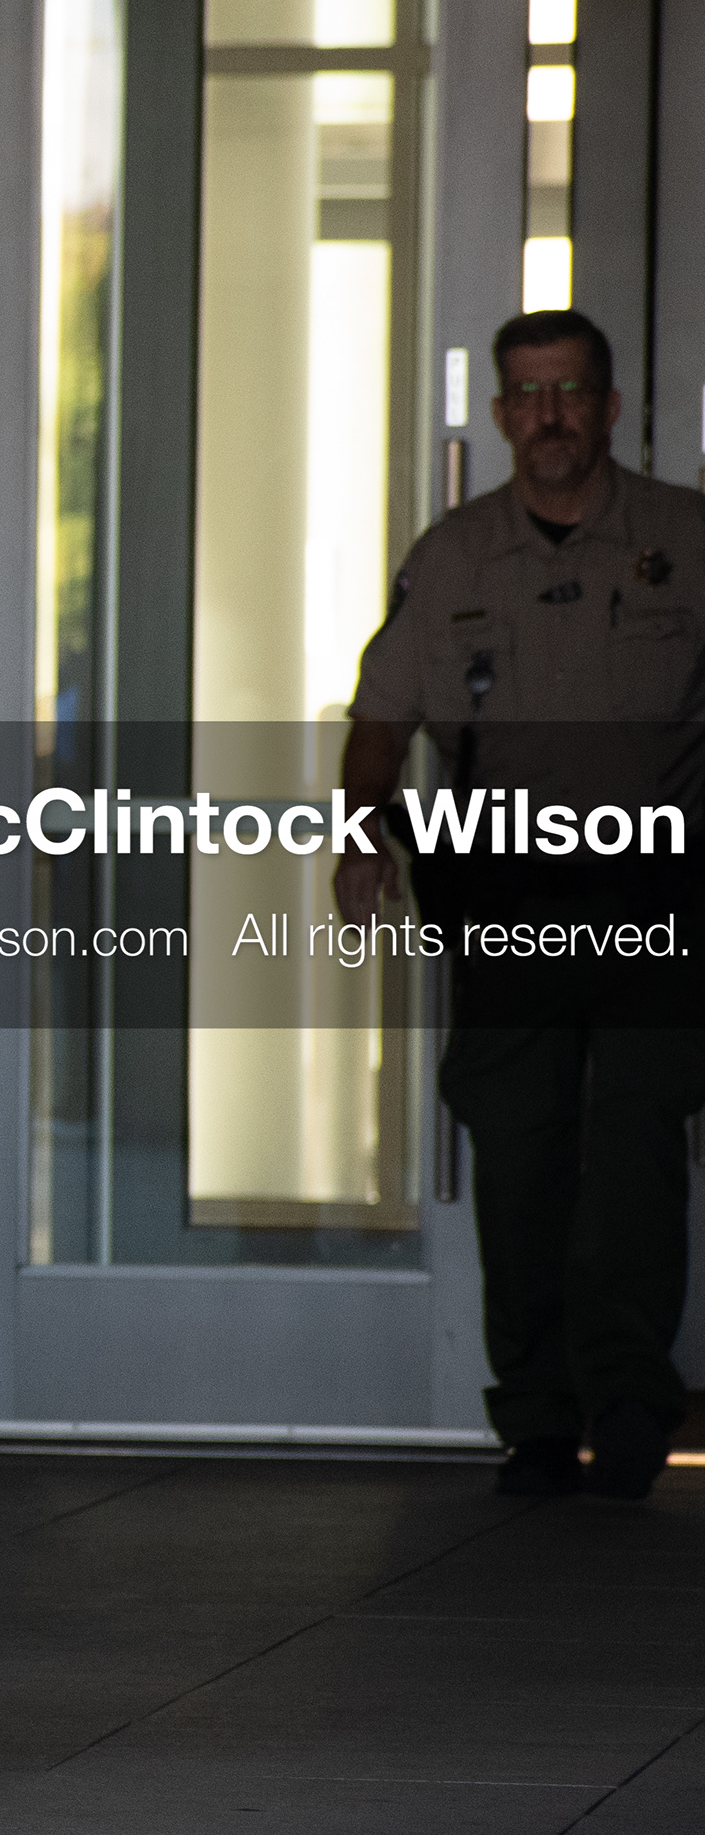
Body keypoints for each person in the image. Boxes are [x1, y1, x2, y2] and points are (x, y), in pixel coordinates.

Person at [337, 308, 705, 1503]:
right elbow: (381, 715)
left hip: (659, 891)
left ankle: (634, 1401)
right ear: (501, 414)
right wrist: (361, 837)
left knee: (639, 1144)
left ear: (609, 405)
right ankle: (539, 1414)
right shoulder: (452, 555)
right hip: (505, 896)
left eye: (570, 393)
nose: (549, 418)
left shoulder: (687, 541)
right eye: (527, 396)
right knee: (524, 1151)